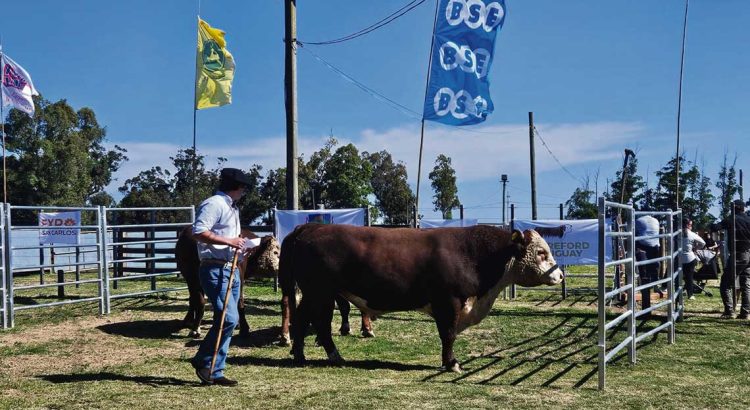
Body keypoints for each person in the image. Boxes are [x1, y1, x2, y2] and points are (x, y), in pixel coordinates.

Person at [190, 168, 251, 386]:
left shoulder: (231, 208)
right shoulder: (214, 204)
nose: (244, 191)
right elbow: (198, 231)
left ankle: (214, 370)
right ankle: (204, 361)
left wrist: (242, 247)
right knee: (229, 318)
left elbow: (229, 238)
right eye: (243, 187)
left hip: (231, 268)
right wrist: (230, 242)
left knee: (227, 319)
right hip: (215, 269)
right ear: (236, 187)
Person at [712, 200, 750, 319]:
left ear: (735, 208)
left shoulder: (732, 219)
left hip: (738, 254)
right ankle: (745, 312)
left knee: (725, 283)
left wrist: (711, 226)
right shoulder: (749, 219)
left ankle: (729, 311)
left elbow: (716, 227)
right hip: (749, 254)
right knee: (746, 284)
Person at [635, 213, 661, 312]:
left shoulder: (638, 220)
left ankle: (643, 284)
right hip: (655, 246)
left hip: (643, 244)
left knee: (642, 266)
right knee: (654, 265)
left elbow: (635, 232)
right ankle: (655, 284)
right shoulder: (656, 221)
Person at [681, 219, 705, 300]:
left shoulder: (677, 233)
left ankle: (676, 292)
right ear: (687, 225)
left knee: (678, 276)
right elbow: (703, 243)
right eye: (691, 225)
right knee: (689, 277)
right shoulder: (692, 234)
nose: (691, 226)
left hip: (679, 257)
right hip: (690, 257)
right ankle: (690, 294)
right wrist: (695, 249)